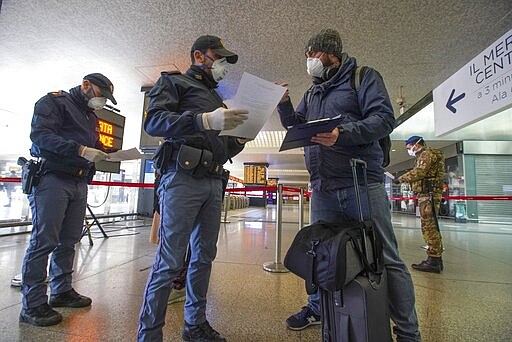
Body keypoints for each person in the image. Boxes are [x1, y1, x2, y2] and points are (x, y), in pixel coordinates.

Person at [276, 29, 421, 341]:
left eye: (313, 55)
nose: (310, 63)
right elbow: (295, 126)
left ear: (331, 54)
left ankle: (409, 332)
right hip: (323, 187)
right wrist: (285, 105)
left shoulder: (363, 77)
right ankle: (317, 309)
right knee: (318, 253)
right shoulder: (312, 94)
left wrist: (343, 133)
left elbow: (383, 119)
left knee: (386, 256)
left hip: (360, 183)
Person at [138, 35, 250, 342]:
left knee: (203, 257)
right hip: (182, 179)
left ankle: (195, 323)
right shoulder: (174, 84)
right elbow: (156, 122)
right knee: (170, 261)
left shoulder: (218, 101)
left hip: (214, 181)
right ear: (199, 56)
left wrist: (238, 140)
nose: (223, 66)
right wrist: (202, 120)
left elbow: (223, 149)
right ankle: (148, 335)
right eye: (220, 58)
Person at [19, 73, 116, 326]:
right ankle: (32, 304)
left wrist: (108, 154)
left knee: (69, 241)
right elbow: (40, 136)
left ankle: (61, 291)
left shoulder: (91, 117)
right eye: (101, 95)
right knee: (44, 241)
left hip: (78, 181)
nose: (102, 102)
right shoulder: (54, 102)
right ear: (86, 85)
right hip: (52, 178)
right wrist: (80, 150)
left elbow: (95, 145)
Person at [395, 136, 445, 273]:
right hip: (426, 195)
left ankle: (434, 260)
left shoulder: (426, 154)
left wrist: (400, 179)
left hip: (429, 195)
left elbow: (420, 172)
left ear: (416, 144)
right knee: (429, 226)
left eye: (409, 147)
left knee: (429, 227)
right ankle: (435, 259)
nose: (409, 150)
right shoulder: (423, 155)